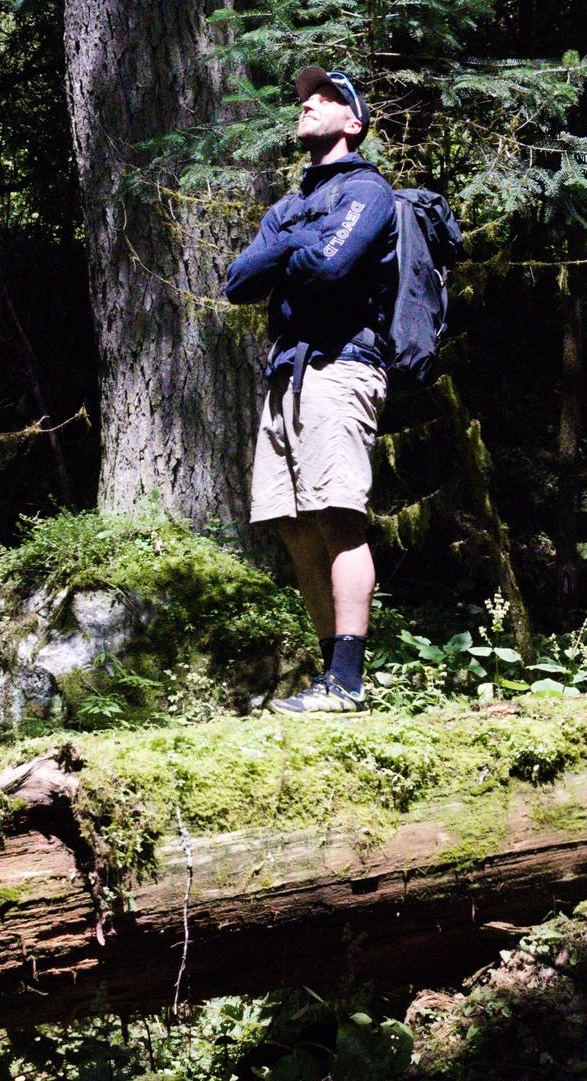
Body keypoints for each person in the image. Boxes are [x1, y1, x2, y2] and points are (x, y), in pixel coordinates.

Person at [223, 65, 398, 713]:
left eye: (324, 98)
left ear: (352, 122)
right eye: (302, 98)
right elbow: (238, 280)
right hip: (286, 374)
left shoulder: (369, 191)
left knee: (338, 516)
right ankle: (329, 682)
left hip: (340, 366)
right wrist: (297, 239)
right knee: (295, 527)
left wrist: (285, 252)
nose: (306, 104)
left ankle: (348, 681)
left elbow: (330, 268)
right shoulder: (289, 206)